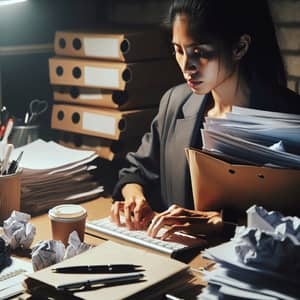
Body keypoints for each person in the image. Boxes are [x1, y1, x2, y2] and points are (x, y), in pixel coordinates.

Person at [110, 0, 300, 239]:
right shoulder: (175, 102)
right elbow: (135, 171)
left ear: (239, 47)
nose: (186, 66)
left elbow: (294, 222)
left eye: (199, 53)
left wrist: (225, 222)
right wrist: (135, 198)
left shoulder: (290, 118)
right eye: (179, 50)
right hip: (176, 260)